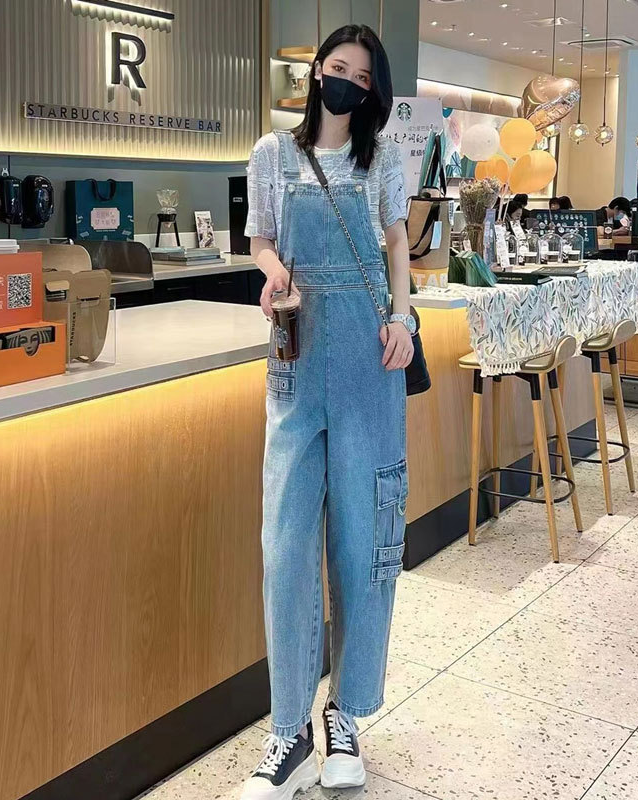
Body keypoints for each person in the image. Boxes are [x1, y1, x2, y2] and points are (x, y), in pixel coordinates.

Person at [242, 24, 412, 800]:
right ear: (316, 71)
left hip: (370, 360)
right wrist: (275, 272)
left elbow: (397, 243)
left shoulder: (382, 158)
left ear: (372, 92)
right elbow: (260, 240)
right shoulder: (272, 154)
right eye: (338, 67)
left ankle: (345, 714)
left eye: (362, 76)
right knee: (285, 546)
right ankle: (289, 732)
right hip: (296, 355)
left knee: (363, 539)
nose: (347, 81)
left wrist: (404, 319)